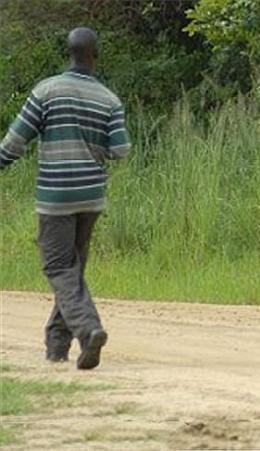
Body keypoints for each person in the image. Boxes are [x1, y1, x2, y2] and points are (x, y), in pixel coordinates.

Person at [0, 27, 130, 370]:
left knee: (58, 266)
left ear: (68, 53)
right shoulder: (109, 99)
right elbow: (121, 149)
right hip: (91, 197)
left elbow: (15, 142)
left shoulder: (46, 90)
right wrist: (92, 147)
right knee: (71, 270)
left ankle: (88, 330)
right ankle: (57, 346)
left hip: (56, 195)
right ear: (96, 56)